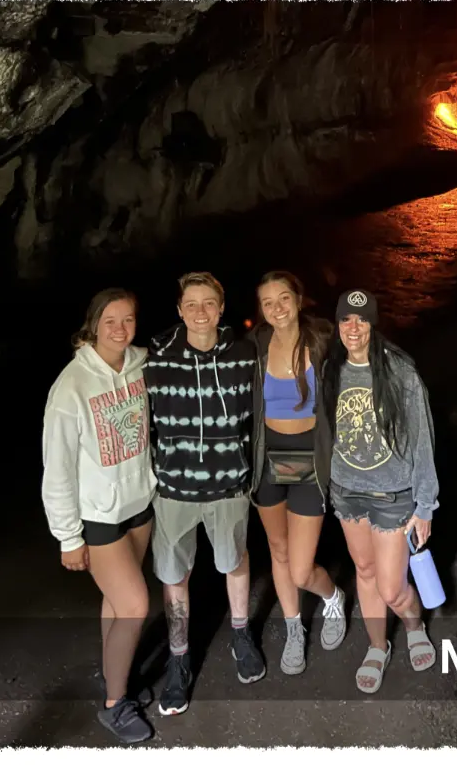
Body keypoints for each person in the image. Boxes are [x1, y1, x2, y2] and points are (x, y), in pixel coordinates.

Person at [143, 271, 264, 717]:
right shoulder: (155, 359)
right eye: (190, 304)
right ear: (178, 310)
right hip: (174, 490)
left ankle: (240, 633)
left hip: (229, 485)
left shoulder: (243, 354)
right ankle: (179, 660)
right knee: (174, 576)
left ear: (222, 306)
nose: (200, 313)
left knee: (234, 561)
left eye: (208, 303)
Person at [41, 288, 156, 743]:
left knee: (114, 604)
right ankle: (114, 705)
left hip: (139, 506)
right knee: (135, 605)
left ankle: (114, 676)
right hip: (100, 516)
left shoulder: (139, 365)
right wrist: (68, 536)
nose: (119, 329)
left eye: (128, 320)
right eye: (110, 320)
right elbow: (57, 468)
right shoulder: (71, 386)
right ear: (93, 324)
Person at [320, 288, 439, 694]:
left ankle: (413, 623)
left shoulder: (399, 371)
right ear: (337, 325)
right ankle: (376, 646)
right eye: (346, 320)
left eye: (362, 319)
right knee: (365, 572)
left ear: (374, 323)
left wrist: (425, 504)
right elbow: (325, 433)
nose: (353, 328)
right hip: (348, 493)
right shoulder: (331, 370)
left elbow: (423, 439)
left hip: (392, 494)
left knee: (391, 587)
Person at [249, 271, 347, 676]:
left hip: (310, 458)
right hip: (268, 458)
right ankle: (294, 628)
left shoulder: (323, 339)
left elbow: (356, 376)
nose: (277, 308)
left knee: (302, 568)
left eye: (284, 298)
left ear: (299, 298)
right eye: (268, 302)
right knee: (279, 550)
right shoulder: (256, 345)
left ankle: (333, 597)